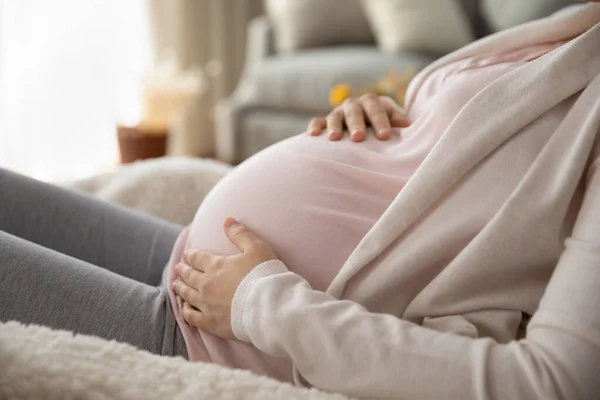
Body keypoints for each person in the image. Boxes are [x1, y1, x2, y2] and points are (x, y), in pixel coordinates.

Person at [1, 2, 599, 399]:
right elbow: (459, 167)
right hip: (195, 265)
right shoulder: (583, 27)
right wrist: (396, 119)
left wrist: (262, 305)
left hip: (214, 340)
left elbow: (548, 383)